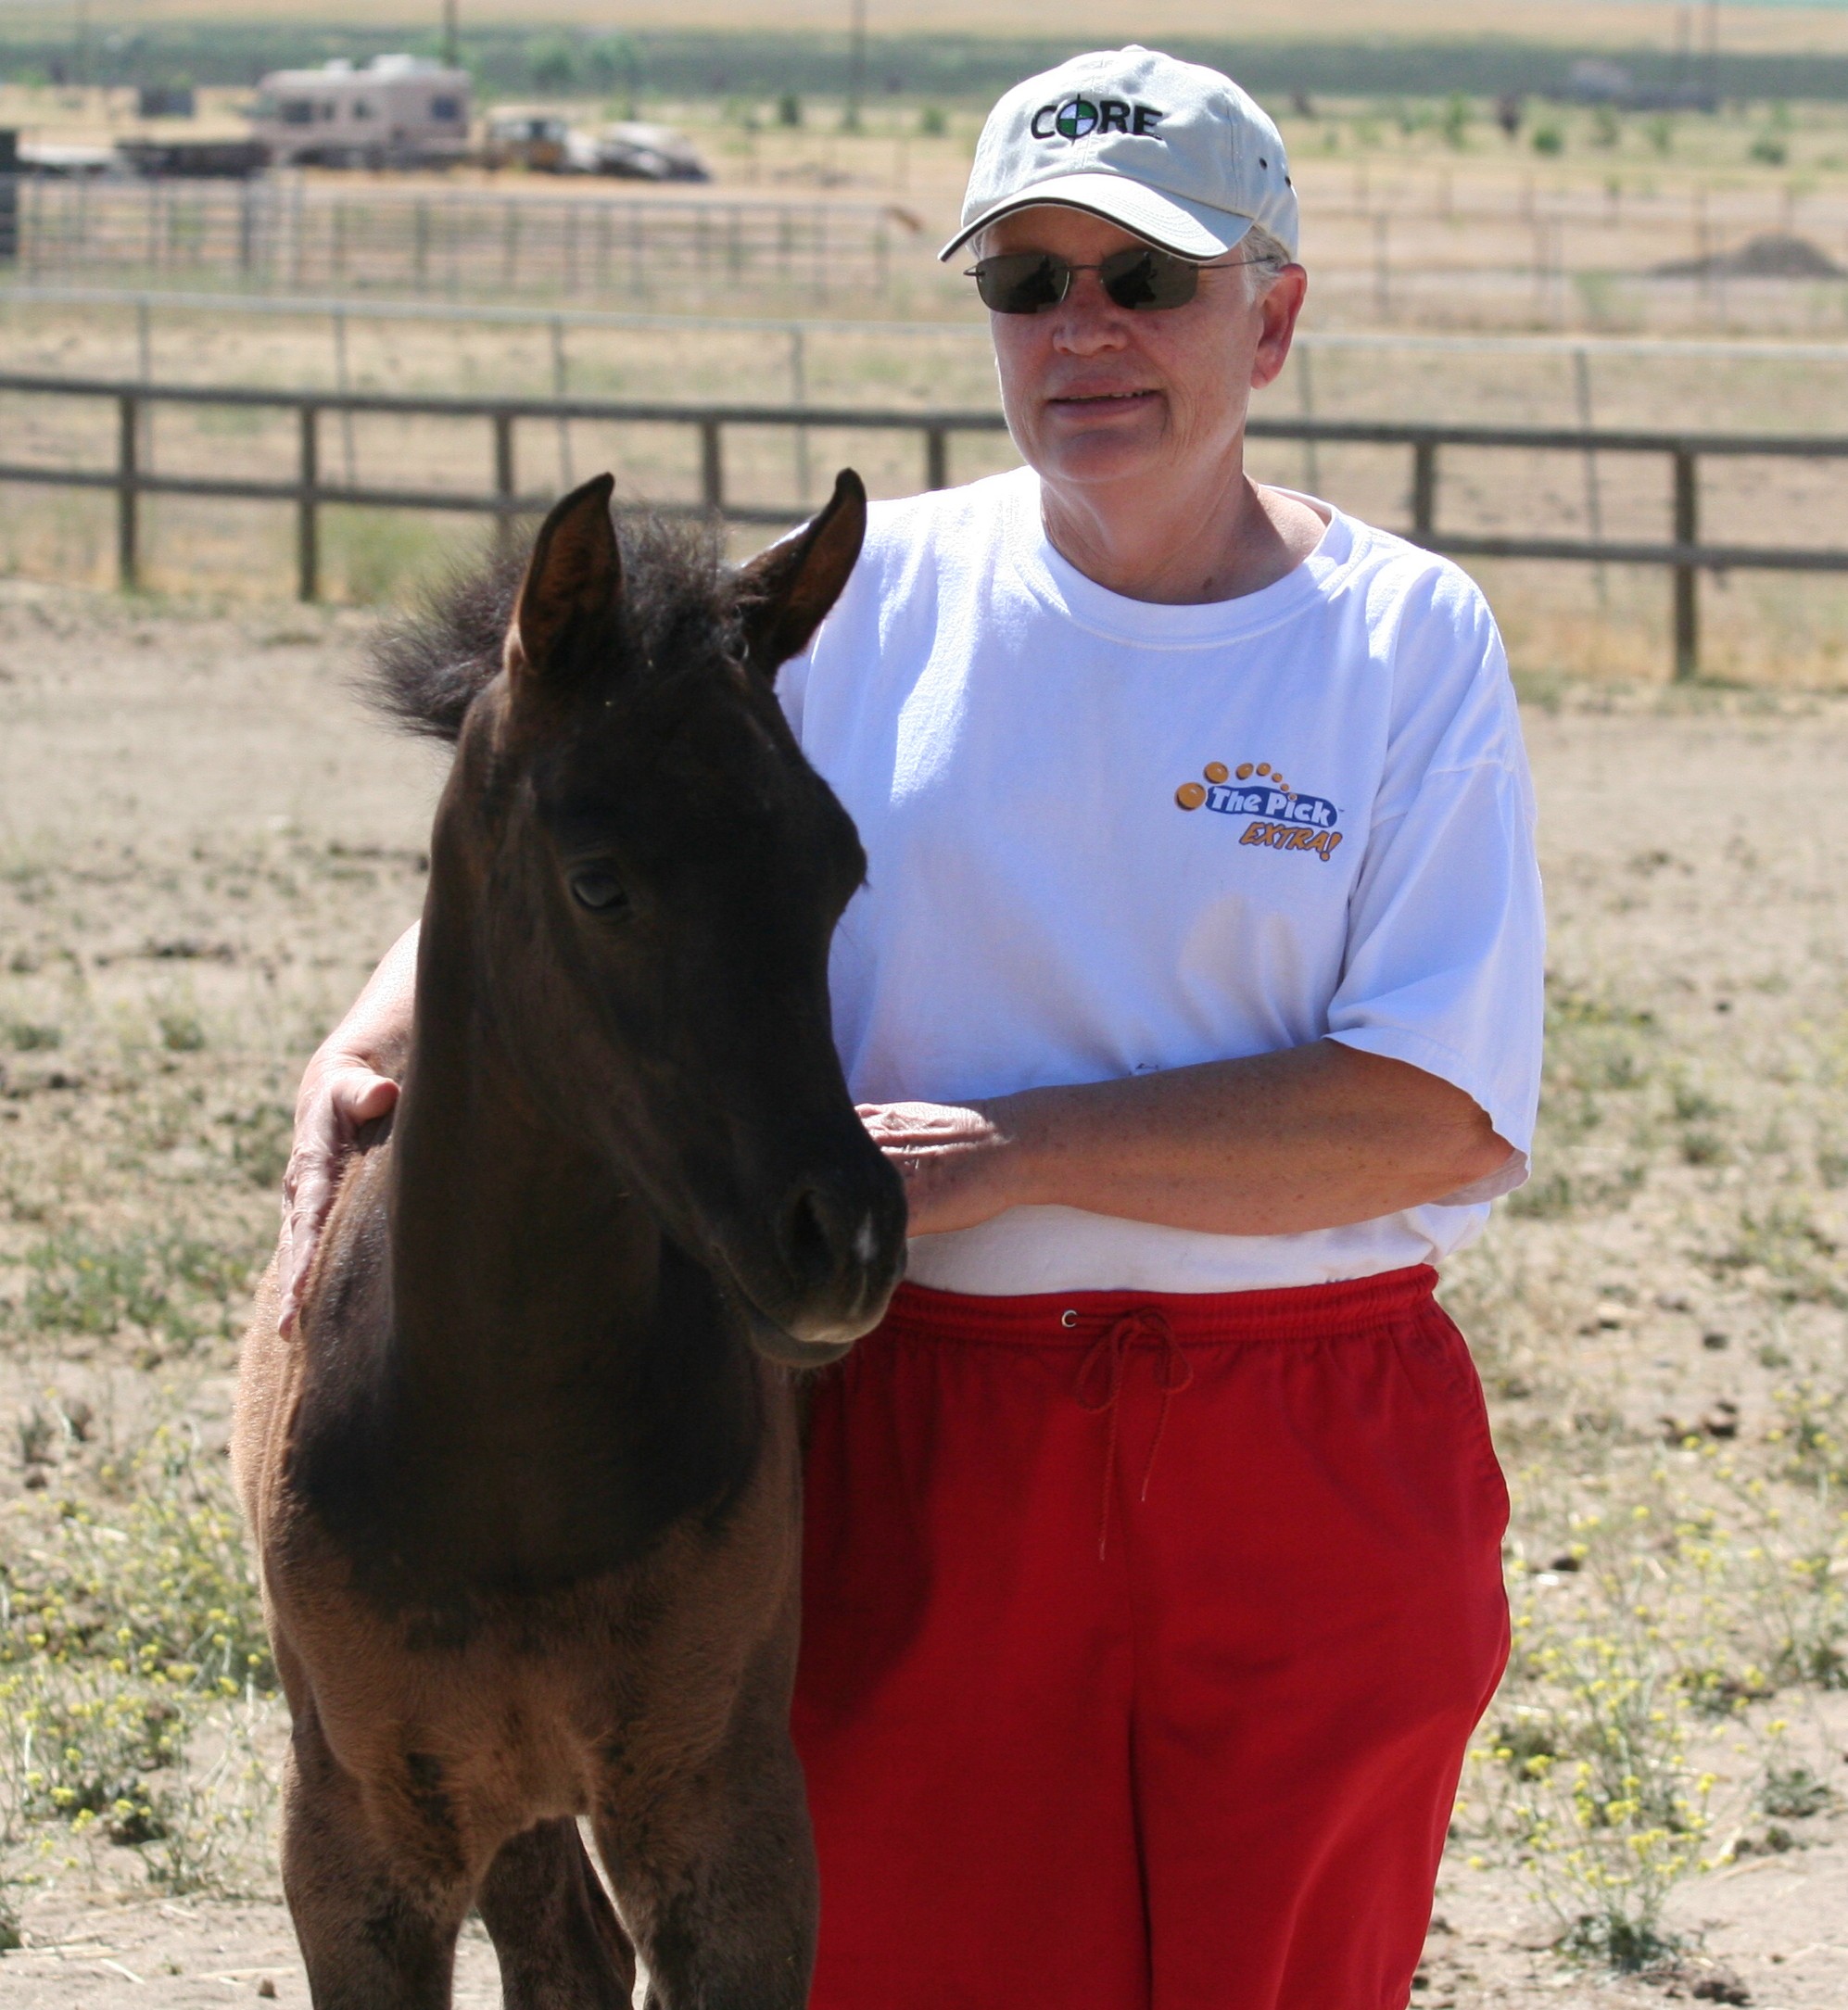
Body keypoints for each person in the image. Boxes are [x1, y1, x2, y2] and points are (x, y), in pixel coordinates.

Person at [281, 46, 1542, 2010]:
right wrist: (370, 1024)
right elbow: (585, 832)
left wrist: (1020, 1151)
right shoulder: (860, 604)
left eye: (1147, 275)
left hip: (1297, 1454)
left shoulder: (1399, 643)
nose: (1082, 328)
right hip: (898, 1426)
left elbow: (1440, 1113)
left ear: (1272, 315)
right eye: (1026, 281)